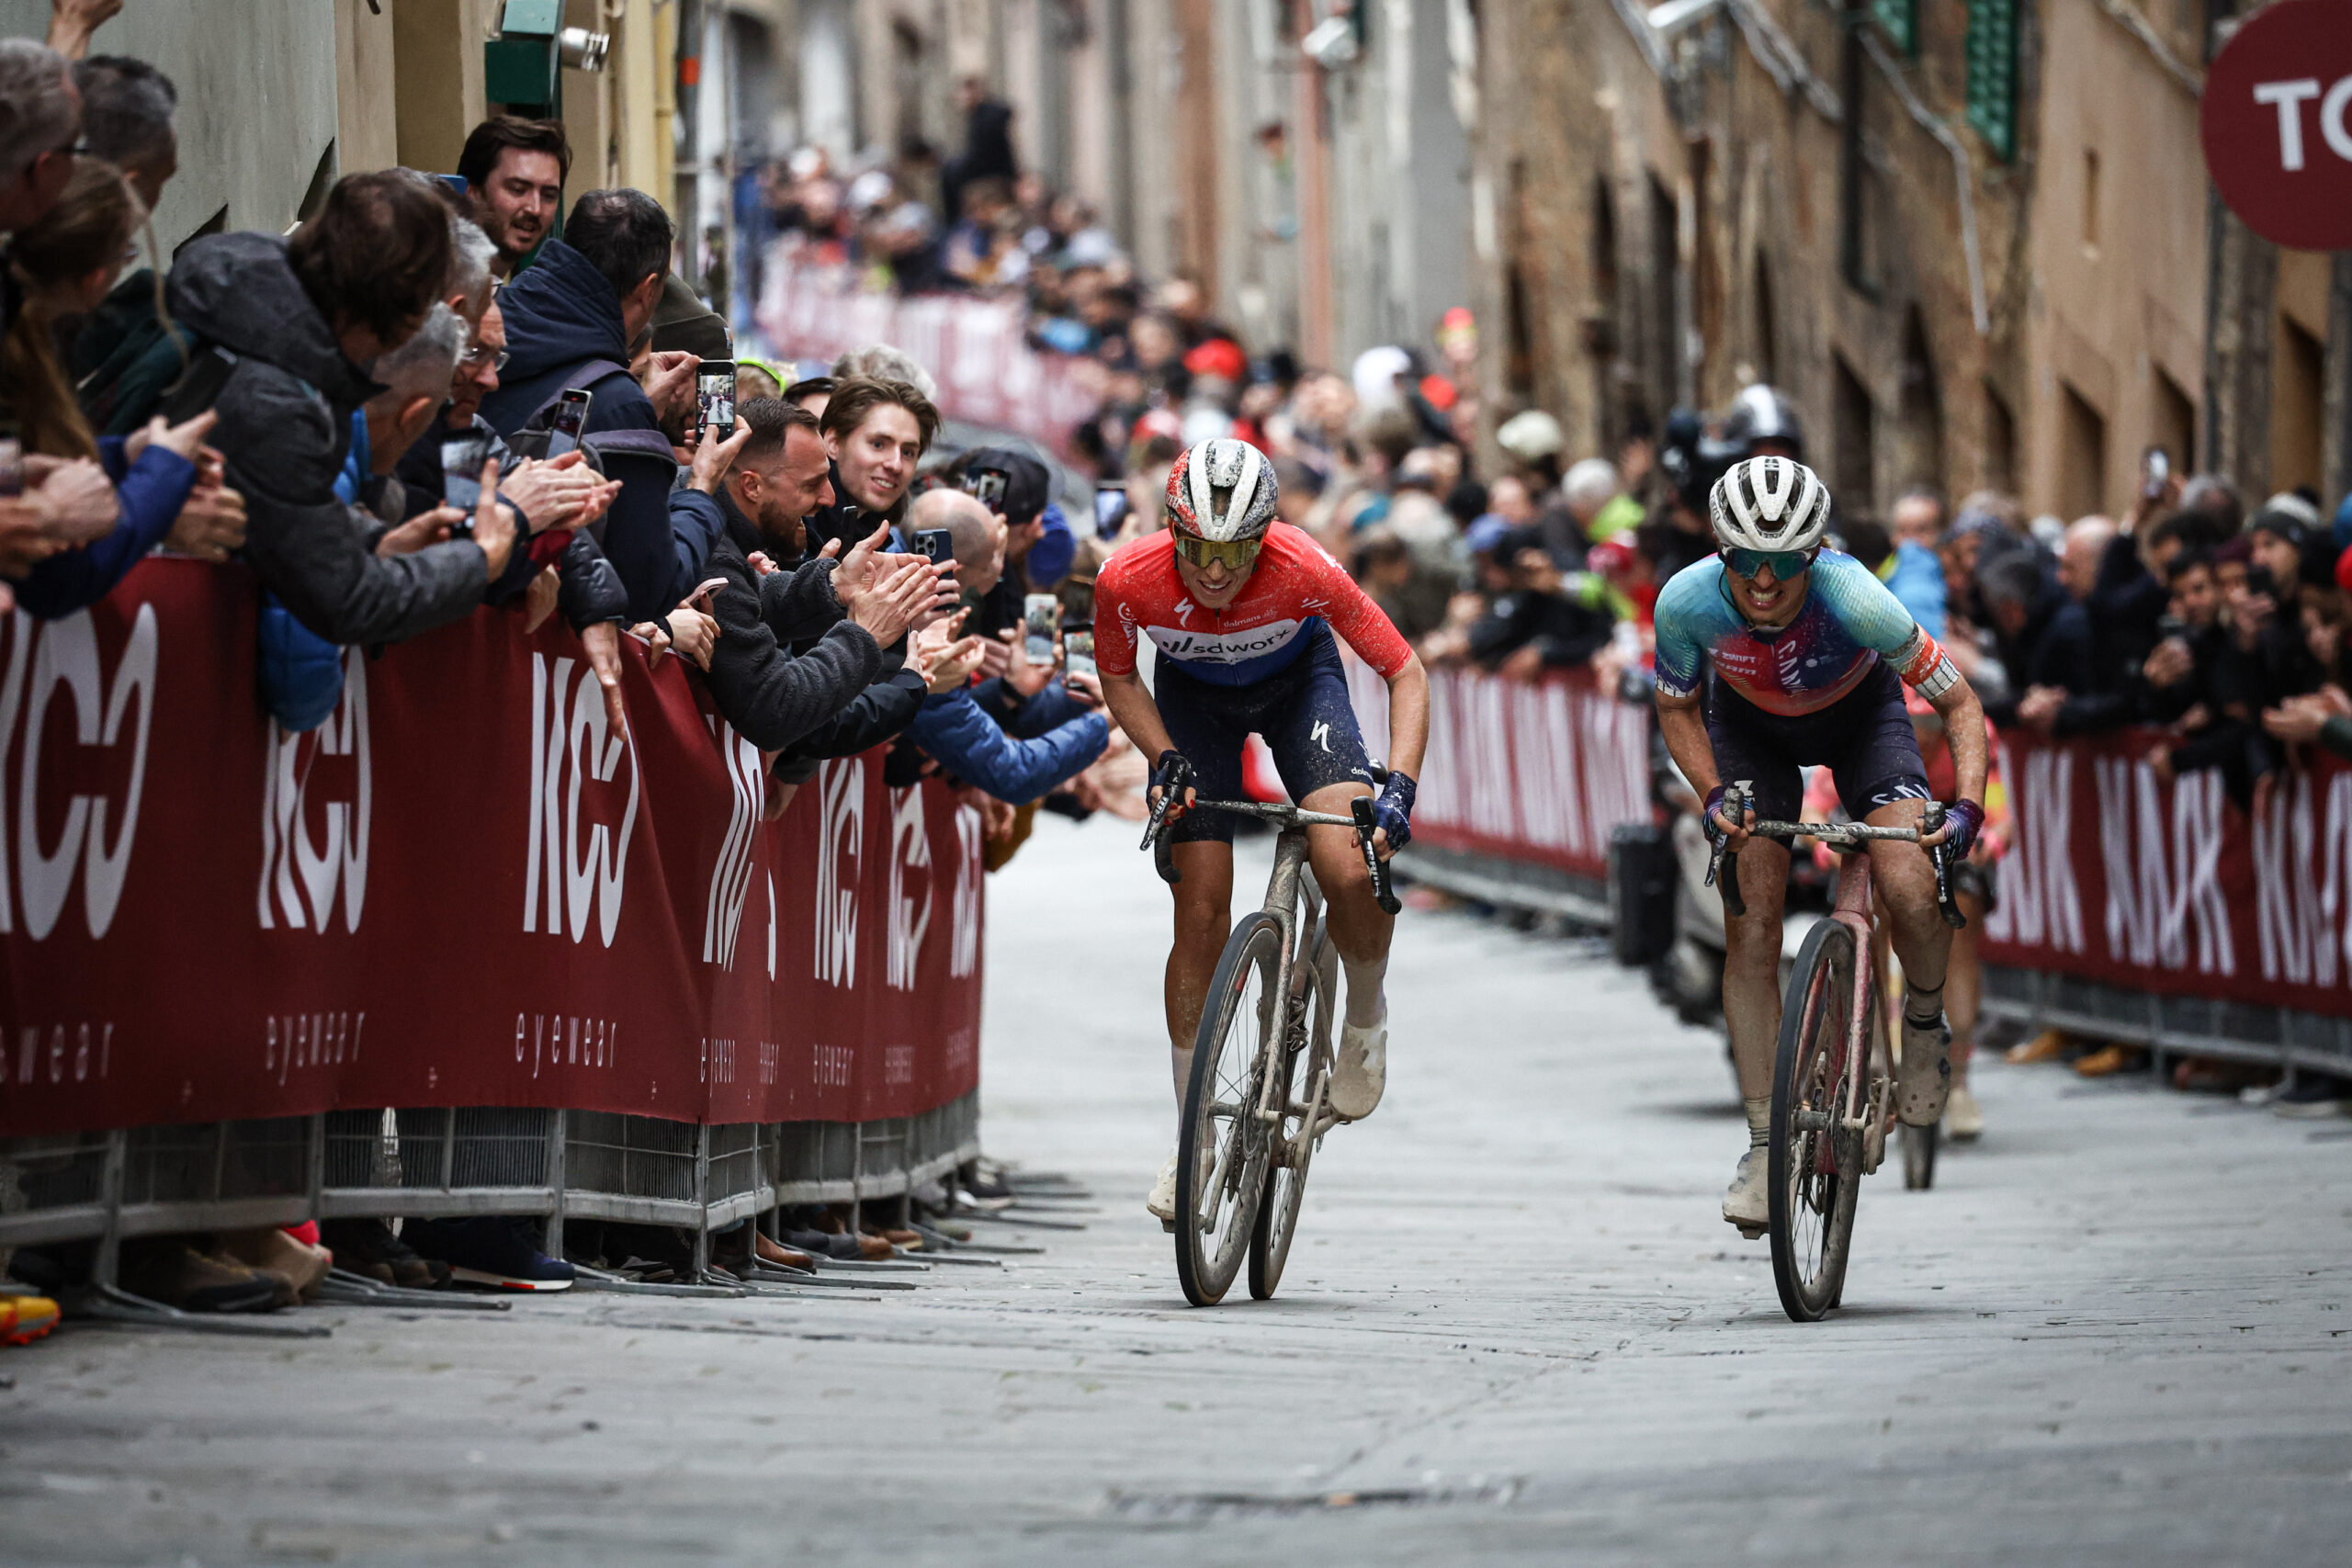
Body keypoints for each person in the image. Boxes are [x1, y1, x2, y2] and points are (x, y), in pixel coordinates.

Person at [1092, 438, 1430, 1224]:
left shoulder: (1304, 565)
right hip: (1192, 706)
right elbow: (1117, 674)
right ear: (1172, 530)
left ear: (1266, 536)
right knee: (1200, 910)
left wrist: (1401, 789)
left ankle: (1367, 1012)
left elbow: (1404, 670)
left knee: (1349, 864)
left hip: (1298, 689)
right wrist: (1163, 754)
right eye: (1200, 548)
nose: (1215, 569)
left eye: (1237, 550)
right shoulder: (1125, 578)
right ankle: (1193, 1142)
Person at [1650, 456, 1987, 1236]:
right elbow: (1676, 707)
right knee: (1753, 922)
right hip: (1750, 732)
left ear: (1817, 552)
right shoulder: (1686, 601)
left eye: (1785, 565)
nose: (1764, 584)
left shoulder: (1855, 595)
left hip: (1860, 720)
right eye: (1746, 562)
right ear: (1719, 550)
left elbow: (1961, 704)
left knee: (1909, 882)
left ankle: (1927, 1026)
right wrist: (1710, 794)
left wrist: (1965, 806)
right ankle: (1766, 1144)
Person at [168, 171, 545, 645]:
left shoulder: (267, 320)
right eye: (464, 339)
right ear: (411, 312)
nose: (476, 368)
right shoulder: (278, 401)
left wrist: (377, 544)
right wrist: (478, 561)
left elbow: (294, 515)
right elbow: (345, 600)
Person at [482, 187, 720, 624]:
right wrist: (702, 490)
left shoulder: (487, 324)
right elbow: (650, 590)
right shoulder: (617, 404)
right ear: (650, 289)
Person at [457, 116, 569, 276]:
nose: (535, 209)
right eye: (518, 189)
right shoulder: (433, 288)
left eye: (549, 195)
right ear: (472, 193)